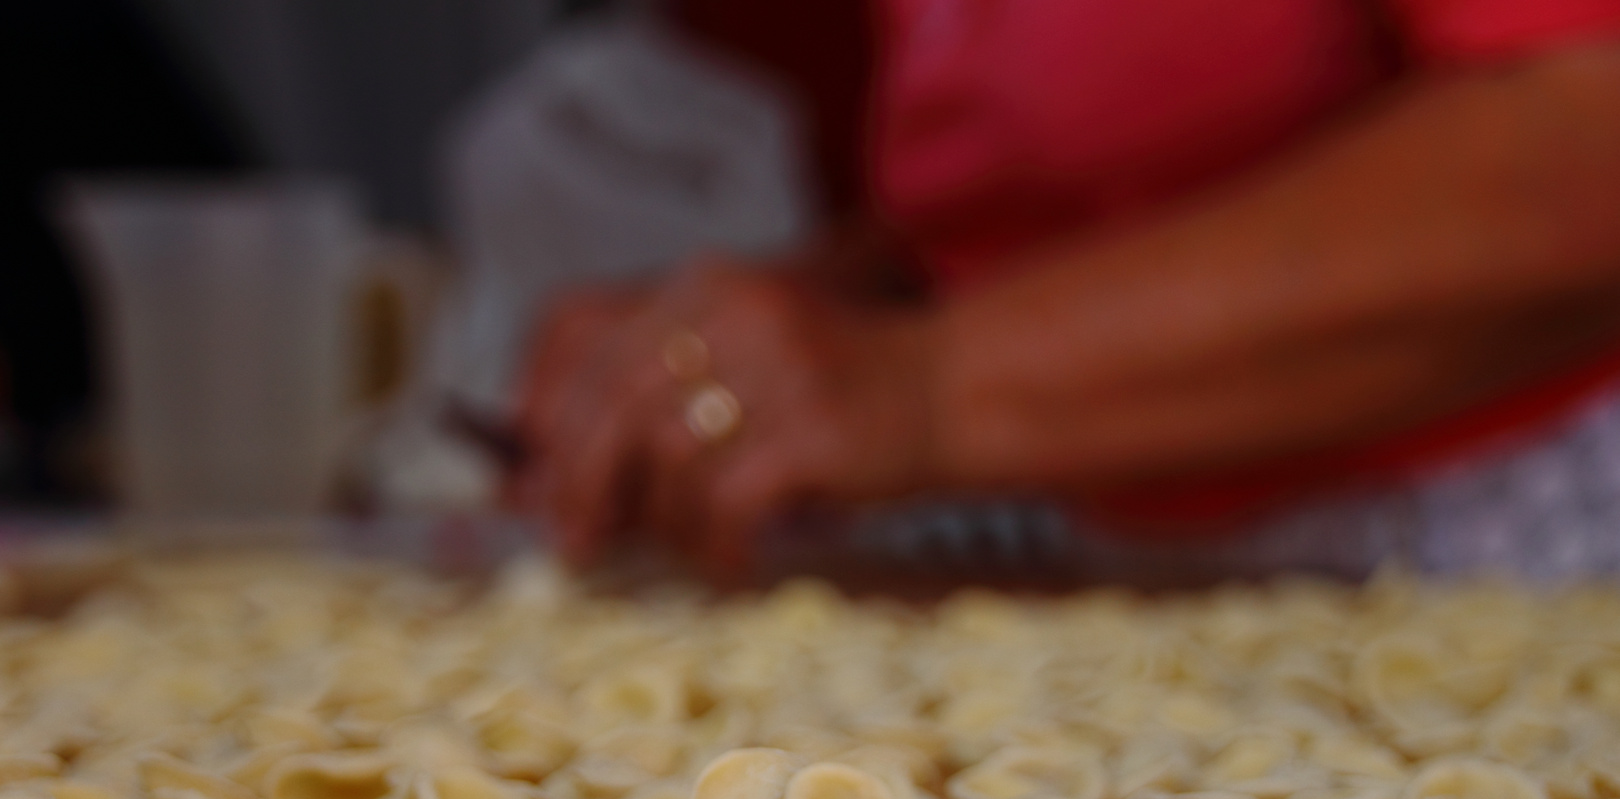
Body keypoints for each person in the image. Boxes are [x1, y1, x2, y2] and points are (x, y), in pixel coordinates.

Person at [511, 0, 1620, 582]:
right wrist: (785, 336)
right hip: (1140, 571)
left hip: (1493, 564)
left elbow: (1583, 138)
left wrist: (918, 387)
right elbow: (1064, 207)